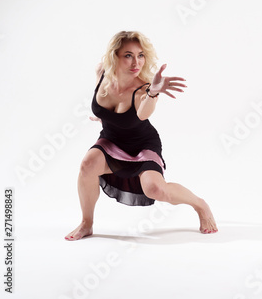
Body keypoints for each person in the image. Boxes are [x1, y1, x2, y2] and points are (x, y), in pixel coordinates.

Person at [65, 30, 218, 240]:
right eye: (128, 55)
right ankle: (86, 223)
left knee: (156, 189)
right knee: (87, 165)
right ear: (114, 57)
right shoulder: (101, 72)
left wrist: (154, 92)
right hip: (111, 139)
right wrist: (106, 118)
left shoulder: (144, 90)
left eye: (140, 55)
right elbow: (102, 101)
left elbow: (144, 113)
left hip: (142, 144)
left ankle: (200, 205)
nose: (136, 62)